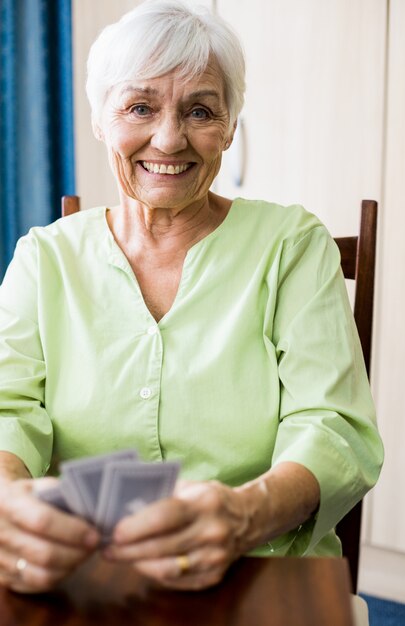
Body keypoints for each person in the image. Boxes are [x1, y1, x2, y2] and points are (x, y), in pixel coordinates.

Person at [0, 0, 383, 593]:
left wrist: (246, 513)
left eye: (200, 110)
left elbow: (332, 426)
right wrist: (10, 504)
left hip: (260, 571)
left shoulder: (293, 246)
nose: (170, 137)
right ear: (100, 119)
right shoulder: (43, 258)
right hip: (89, 576)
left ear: (230, 127)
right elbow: (7, 411)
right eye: (139, 106)